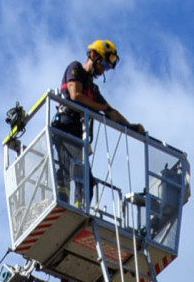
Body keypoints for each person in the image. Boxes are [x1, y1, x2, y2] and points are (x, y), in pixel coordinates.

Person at [53, 40, 145, 208]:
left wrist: (131, 127)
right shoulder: (75, 69)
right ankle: (62, 205)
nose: (104, 69)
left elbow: (111, 111)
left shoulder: (92, 89)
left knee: (86, 182)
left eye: (107, 67)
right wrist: (99, 108)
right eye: (103, 63)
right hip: (65, 128)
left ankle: (79, 209)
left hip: (78, 134)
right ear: (93, 55)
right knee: (67, 170)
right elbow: (75, 95)